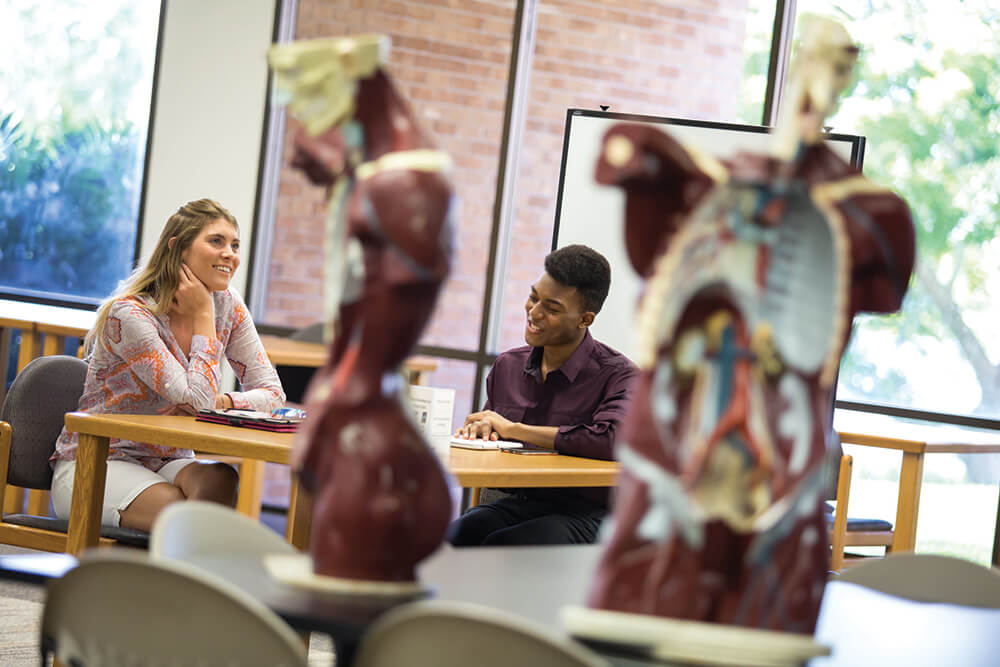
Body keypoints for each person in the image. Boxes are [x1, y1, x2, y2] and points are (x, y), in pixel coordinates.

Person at [50, 198, 285, 532]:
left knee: (220, 478)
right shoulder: (130, 315)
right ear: (178, 248)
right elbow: (197, 402)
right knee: (181, 515)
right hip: (97, 460)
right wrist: (204, 318)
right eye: (216, 241)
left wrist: (226, 402)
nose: (230, 254)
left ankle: (176, 579)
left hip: (167, 460)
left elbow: (273, 394)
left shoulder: (228, 304)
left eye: (234, 245)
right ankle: (175, 578)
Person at [448, 244, 638, 546]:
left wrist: (514, 429)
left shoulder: (619, 376)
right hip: (521, 504)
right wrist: (482, 432)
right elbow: (495, 441)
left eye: (551, 308)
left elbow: (610, 440)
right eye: (533, 297)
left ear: (585, 319)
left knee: (505, 546)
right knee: (454, 537)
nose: (533, 313)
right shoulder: (508, 367)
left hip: (590, 515)